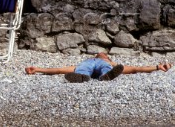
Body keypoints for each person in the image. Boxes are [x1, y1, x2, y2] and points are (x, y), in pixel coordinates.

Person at [25, 52, 173, 83]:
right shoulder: (87, 61)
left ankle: (106, 75)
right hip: (86, 66)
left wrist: (157, 67)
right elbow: (59, 70)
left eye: (103, 53)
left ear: (108, 57)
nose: (100, 53)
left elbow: (136, 69)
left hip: (107, 67)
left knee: (106, 68)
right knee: (81, 68)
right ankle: (82, 76)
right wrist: (37, 69)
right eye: (98, 53)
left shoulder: (113, 63)